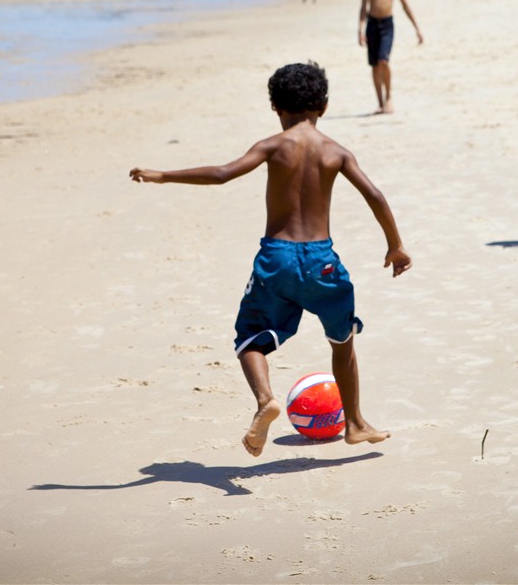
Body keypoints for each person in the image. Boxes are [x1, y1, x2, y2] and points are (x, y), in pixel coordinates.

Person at [130, 62, 410, 456]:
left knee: (250, 339)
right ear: (324, 106)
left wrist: (164, 175)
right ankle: (355, 423)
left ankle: (265, 400)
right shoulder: (336, 151)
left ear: (276, 107)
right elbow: (375, 196)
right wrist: (395, 246)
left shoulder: (272, 146)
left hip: (276, 258)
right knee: (342, 339)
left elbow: (223, 173)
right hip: (322, 261)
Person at [358, 0, 423, 114]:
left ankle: (389, 98)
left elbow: (405, 5)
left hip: (387, 24)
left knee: (384, 61)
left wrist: (417, 28)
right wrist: (360, 29)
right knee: (374, 65)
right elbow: (363, 7)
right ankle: (380, 102)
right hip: (372, 24)